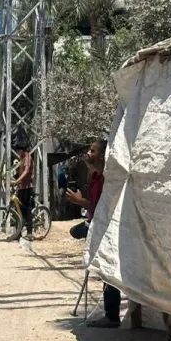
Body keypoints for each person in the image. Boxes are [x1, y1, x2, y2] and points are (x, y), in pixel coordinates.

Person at [67, 139, 118, 327]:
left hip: (105, 226)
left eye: (93, 151)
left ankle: (112, 315)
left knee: (107, 268)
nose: (89, 153)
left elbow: (101, 208)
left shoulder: (106, 178)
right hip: (95, 223)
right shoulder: (94, 176)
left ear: (103, 155)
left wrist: (80, 201)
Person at [14, 143, 35, 240]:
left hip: (27, 188)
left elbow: (26, 171)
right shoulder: (21, 159)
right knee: (19, 210)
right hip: (21, 187)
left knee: (27, 210)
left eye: (18, 151)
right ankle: (18, 233)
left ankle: (30, 233)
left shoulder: (27, 157)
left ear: (22, 150)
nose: (17, 153)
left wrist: (17, 181)